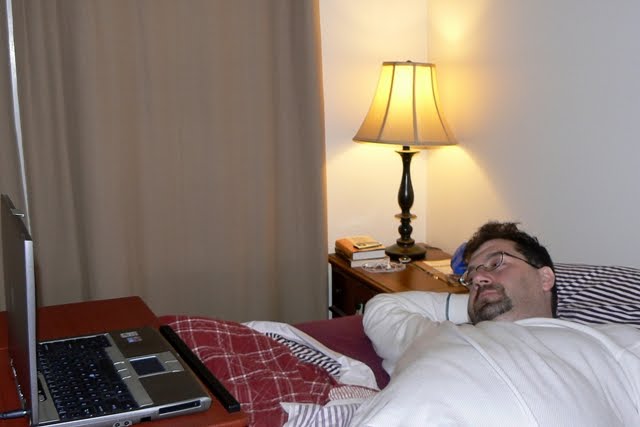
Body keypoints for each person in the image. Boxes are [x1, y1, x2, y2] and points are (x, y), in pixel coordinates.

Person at [349, 222, 640, 426]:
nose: (477, 277)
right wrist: (483, 306)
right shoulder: (435, 335)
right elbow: (382, 308)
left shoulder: (606, 342)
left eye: (497, 263)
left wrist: (506, 304)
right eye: (471, 275)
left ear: (545, 278)